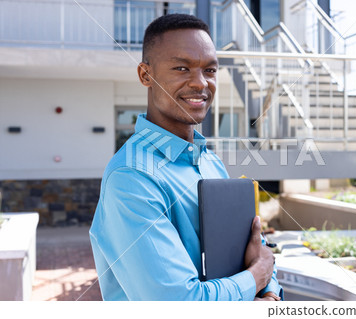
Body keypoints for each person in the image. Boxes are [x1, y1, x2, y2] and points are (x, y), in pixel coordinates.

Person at [89, 13, 282, 301]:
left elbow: (258, 251)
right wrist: (257, 278)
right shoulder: (131, 177)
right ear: (146, 75)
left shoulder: (210, 163)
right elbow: (179, 302)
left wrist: (269, 296)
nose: (201, 83)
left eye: (210, 70)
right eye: (182, 68)